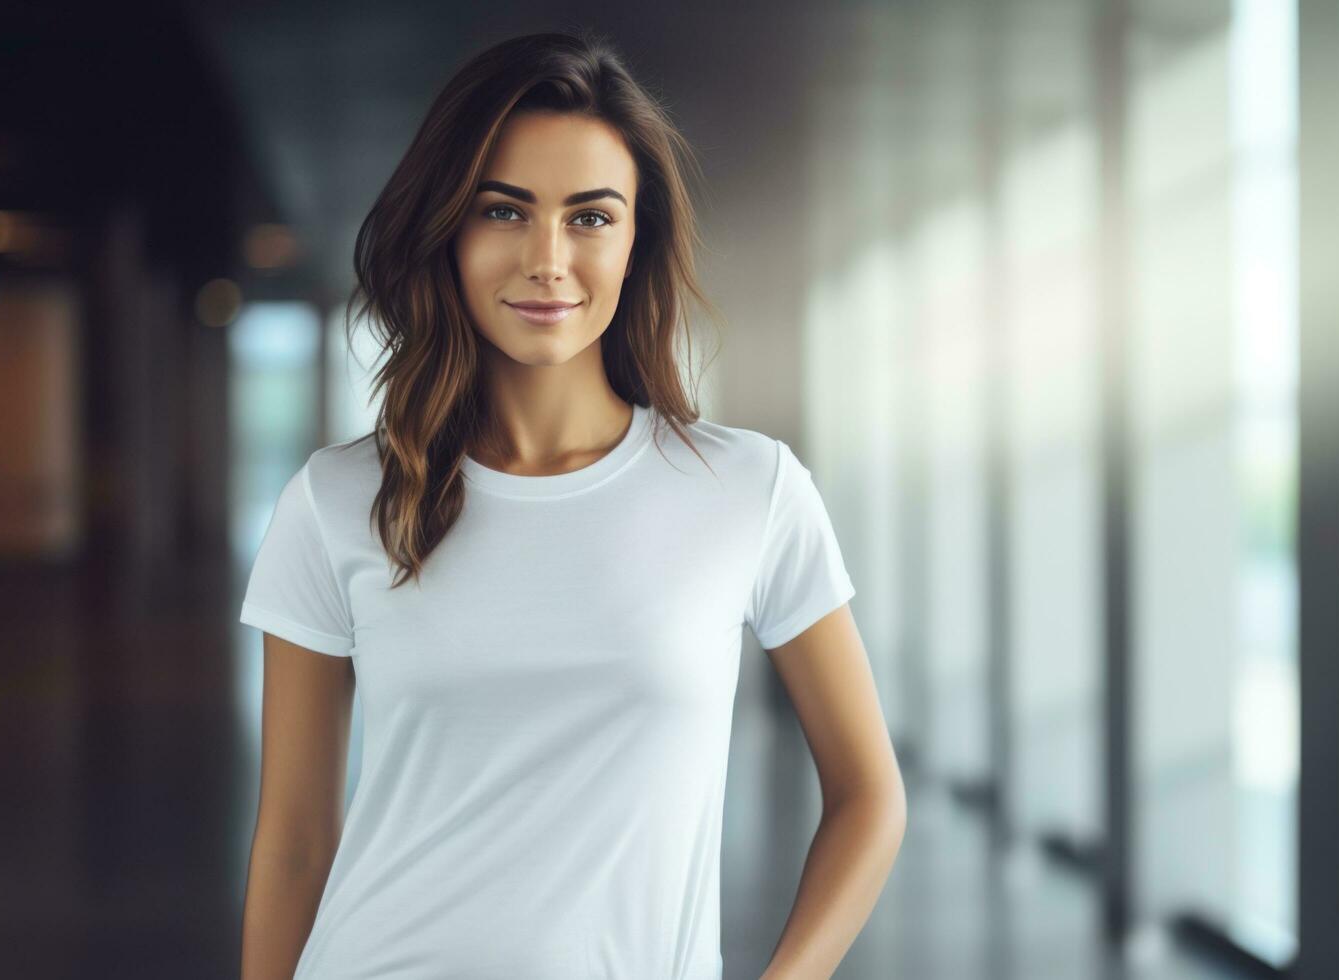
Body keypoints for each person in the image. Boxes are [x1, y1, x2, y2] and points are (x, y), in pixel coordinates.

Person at [238, 30, 906, 980]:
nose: (548, 259)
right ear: (448, 233)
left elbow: (869, 794)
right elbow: (296, 842)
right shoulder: (338, 500)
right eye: (504, 212)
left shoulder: (749, 492)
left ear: (637, 240)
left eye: (590, 217)